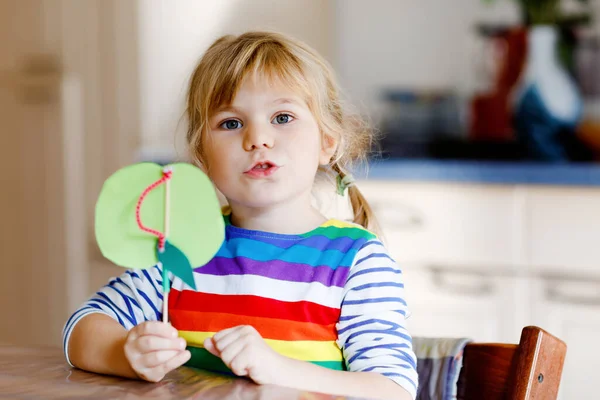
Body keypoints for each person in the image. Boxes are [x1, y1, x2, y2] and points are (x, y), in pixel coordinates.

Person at [63, 31, 418, 400]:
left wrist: (280, 370)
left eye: (282, 117)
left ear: (327, 142)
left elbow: (393, 389)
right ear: (203, 155)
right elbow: (81, 329)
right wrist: (125, 353)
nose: (258, 138)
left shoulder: (357, 260)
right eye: (231, 123)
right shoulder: (181, 247)